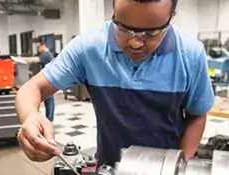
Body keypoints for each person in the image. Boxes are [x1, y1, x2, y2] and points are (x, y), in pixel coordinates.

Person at [15, 0, 215, 167]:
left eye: (152, 32)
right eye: (123, 28)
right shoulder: (89, 48)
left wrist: (180, 166)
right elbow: (32, 88)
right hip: (109, 167)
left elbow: (197, 116)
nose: (135, 43)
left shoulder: (190, 55)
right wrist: (30, 117)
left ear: (172, 16)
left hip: (166, 168)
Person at [16, 38, 55, 122]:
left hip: (49, 79)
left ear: (43, 45)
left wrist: (22, 58)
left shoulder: (46, 55)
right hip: (48, 79)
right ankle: (49, 118)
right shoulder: (47, 54)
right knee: (48, 99)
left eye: (38, 47)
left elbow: (34, 59)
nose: (38, 49)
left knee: (49, 99)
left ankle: (50, 119)